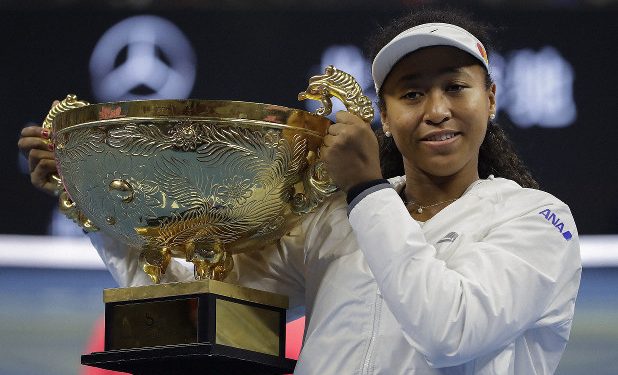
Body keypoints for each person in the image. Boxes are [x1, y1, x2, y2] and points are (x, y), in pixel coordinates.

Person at [19, 8, 581, 374]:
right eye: (411, 95)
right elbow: (199, 305)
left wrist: (365, 189)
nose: (436, 111)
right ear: (383, 115)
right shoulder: (337, 221)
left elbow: (451, 332)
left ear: (492, 99)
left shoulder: (536, 221)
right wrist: (100, 205)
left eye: (456, 88)